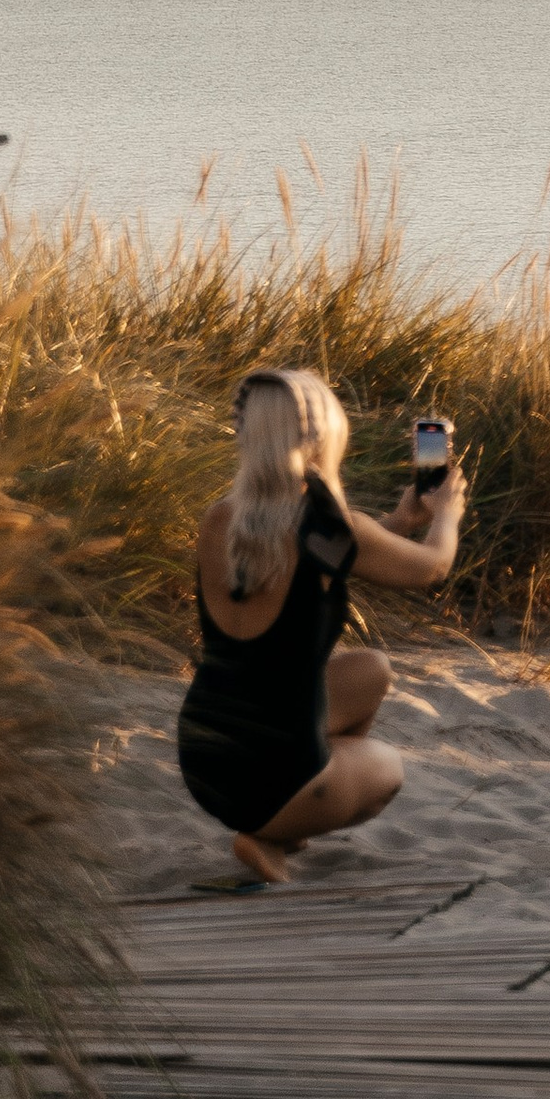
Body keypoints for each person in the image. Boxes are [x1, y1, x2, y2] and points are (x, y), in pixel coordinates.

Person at [175, 364, 463, 882]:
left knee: (371, 670)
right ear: (321, 439)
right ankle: (277, 829)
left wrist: (400, 523)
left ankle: (283, 823)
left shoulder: (221, 518)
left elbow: (306, 557)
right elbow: (433, 566)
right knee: (387, 768)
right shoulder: (333, 528)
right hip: (274, 779)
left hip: (205, 759)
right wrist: (446, 515)